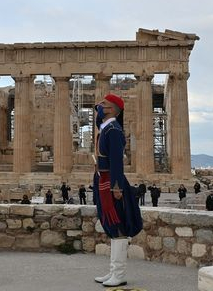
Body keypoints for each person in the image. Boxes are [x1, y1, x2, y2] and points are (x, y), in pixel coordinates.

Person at [91, 93, 142, 287]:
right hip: (104, 180)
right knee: (112, 226)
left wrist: (117, 187)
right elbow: (99, 122)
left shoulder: (113, 130)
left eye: (102, 104)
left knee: (118, 226)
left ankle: (119, 274)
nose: (98, 106)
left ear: (112, 109)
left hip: (112, 182)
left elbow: (117, 162)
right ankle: (113, 271)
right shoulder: (106, 128)